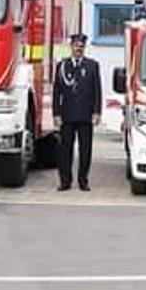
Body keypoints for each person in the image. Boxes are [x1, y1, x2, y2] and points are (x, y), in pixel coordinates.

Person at [52, 33, 100, 191]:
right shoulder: (62, 66)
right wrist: (56, 114)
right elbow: (56, 92)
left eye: (81, 46)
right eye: (76, 46)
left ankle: (83, 180)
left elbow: (97, 91)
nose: (78, 49)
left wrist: (97, 112)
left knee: (85, 150)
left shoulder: (92, 65)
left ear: (84, 48)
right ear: (71, 47)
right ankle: (65, 181)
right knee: (65, 150)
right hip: (67, 115)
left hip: (86, 115)